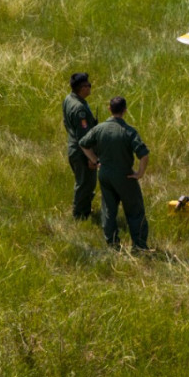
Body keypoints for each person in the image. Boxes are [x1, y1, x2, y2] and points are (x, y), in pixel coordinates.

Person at [80, 96, 150, 250]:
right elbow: (144, 154)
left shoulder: (99, 129)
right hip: (125, 176)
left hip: (104, 174)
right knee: (135, 211)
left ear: (109, 109)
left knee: (109, 210)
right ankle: (139, 246)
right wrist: (140, 173)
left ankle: (112, 245)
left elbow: (83, 144)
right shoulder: (128, 131)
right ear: (125, 110)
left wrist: (95, 161)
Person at [62, 72, 99, 220]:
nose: (90, 87)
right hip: (81, 152)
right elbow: (84, 138)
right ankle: (80, 215)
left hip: (73, 147)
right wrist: (92, 158)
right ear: (81, 88)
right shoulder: (80, 110)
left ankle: (83, 210)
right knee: (85, 184)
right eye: (88, 85)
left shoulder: (69, 99)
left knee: (83, 182)